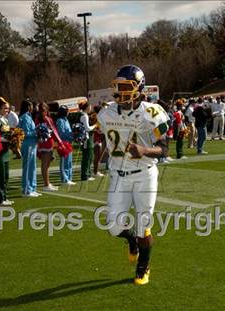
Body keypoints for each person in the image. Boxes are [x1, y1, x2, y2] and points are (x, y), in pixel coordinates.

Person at [97, 64, 169, 285]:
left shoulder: (152, 112)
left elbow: (164, 148)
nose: (120, 91)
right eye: (118, 86)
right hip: (118, 174)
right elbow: (105, 140)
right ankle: (131, 240)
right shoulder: (106, 113)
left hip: (144, 174)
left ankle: (144, 266)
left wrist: (145, 150)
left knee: (143, 224)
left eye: (126, 86)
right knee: (113, 227)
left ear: (139, 87)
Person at [0, 97, 13, 207]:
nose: (7, 110)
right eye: (5, 108)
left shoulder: (5, 119)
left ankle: (4, 197)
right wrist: (6, 139)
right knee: (0, 176)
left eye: (8, 108)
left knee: (6, 176)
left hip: (5, 151)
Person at [18, 99, 40, 197]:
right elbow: (25, 133)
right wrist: (38, 133)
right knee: (28, 168)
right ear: (28, 107)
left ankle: (32, 187)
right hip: (28, 144)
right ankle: (26, 189)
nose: (33, 108)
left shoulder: (29, 117)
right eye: (31, 106)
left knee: (32, 167)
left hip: (32, 144)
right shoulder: (25, 117)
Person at [35, 102, 59, 191]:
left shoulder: (48, 118)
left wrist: (56, 141)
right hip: (44, 144)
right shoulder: (39, 119)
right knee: (45, 164)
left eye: (45, 110)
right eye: (42, 110)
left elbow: (54, 130)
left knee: (47, 164)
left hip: (49, 143)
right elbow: (37, 131)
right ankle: (46, 185)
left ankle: (47, 183)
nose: (43, 112)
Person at [56, 105, 76, 185]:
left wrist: (74, 135)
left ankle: (69, 178)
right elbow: (61, 134)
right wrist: (72, 134)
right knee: (64, 162)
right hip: (63, 143)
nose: (68, 112)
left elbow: (69, 131)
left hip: (69, 143)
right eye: (67, 111)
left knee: (69, 161)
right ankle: (64, 179)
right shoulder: (60, 121)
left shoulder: (66, 120)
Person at [79, 100, 96, 181]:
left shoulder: (85, 115)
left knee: (90, 157)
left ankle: (88, 174)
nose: (91, 108)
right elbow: (87, 128)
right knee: (86, 157)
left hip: (88, 138)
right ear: (87, 107)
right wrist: (95, 125)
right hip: (86, 139)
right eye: (90, 106)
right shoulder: (84, 115)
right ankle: (85, 175)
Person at [92, 105, 105, 177]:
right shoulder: (96, 117)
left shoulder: (98, 117)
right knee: (97, 155)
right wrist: (102, 131)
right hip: (95, 138)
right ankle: (95, 172)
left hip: (98, 138)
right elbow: (97, 128)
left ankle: (96, 171)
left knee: (98, 155)